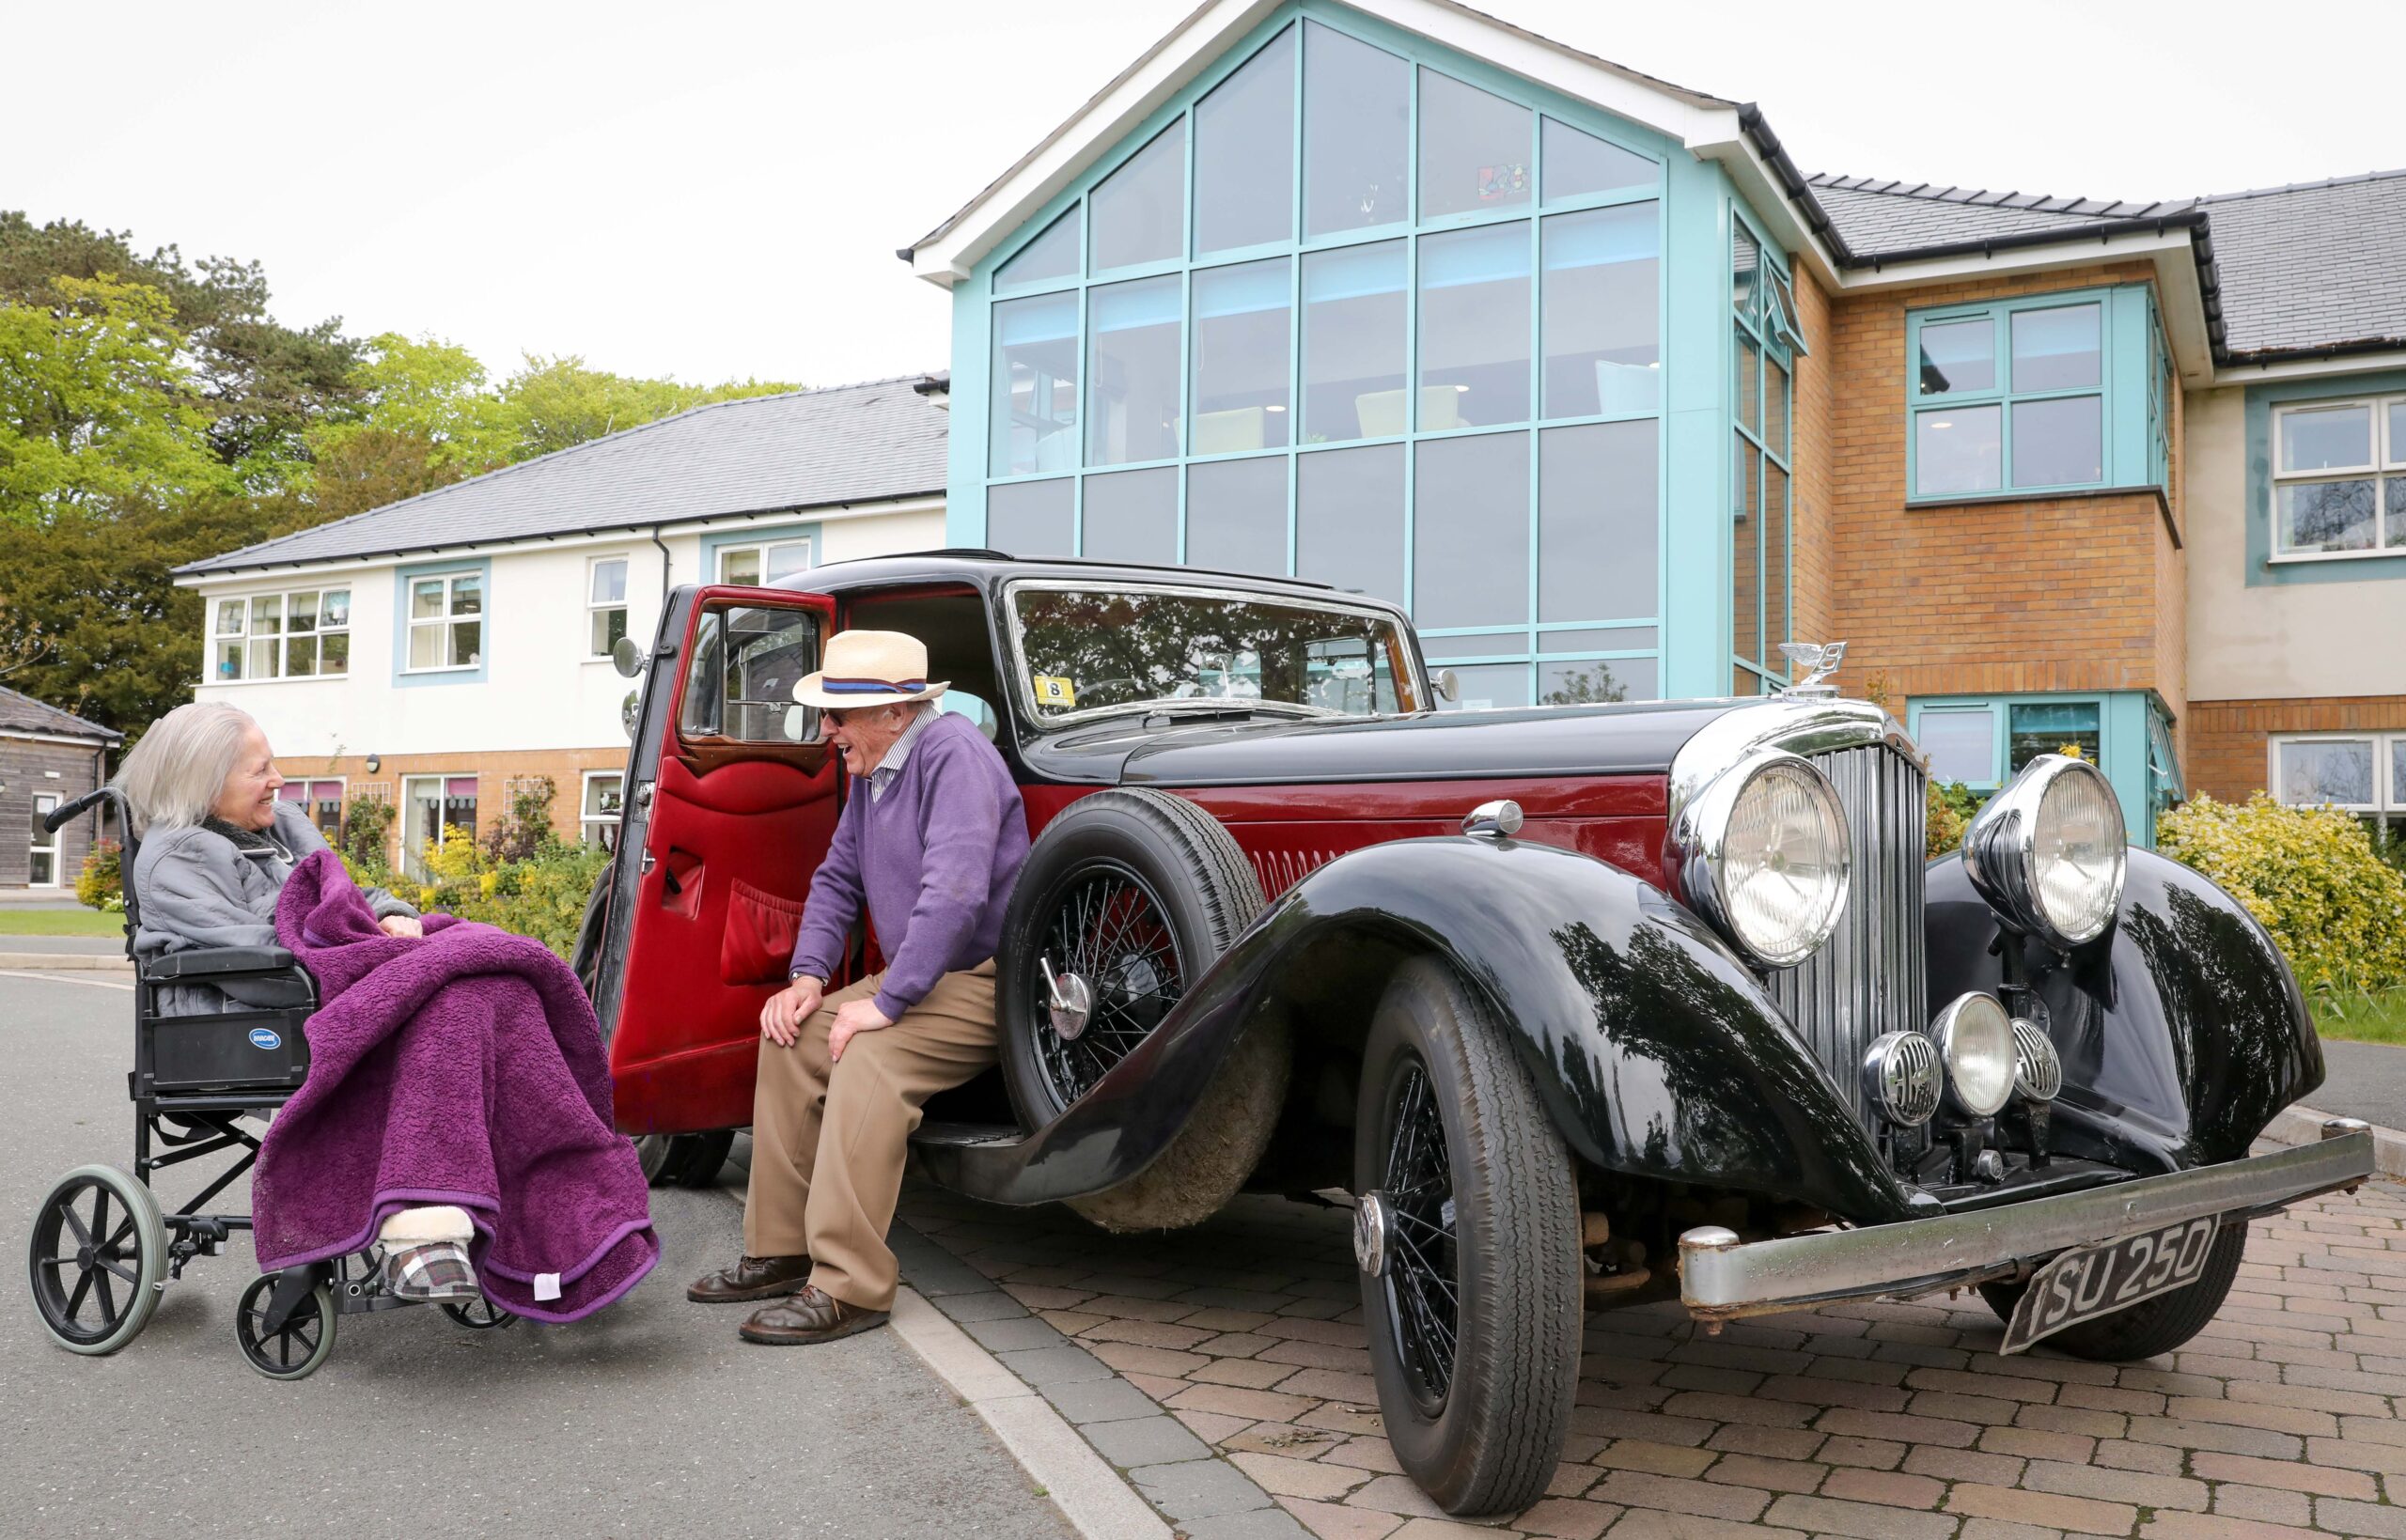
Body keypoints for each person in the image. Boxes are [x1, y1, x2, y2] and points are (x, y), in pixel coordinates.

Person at [688, 630, 1030, 1346]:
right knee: (789, 1034)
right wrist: (809, 978)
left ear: (895, 713)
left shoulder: (953, 755)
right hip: (921, 974)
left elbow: (957, 894)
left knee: (869, 1056)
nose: (826, 730)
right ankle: (781, 1250)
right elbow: (837, 878)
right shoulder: (876, 772)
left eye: (837, 715)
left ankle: (849, 1286)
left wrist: (886, 1003)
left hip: (983, 980)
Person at [119, 702, 477, 1303]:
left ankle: (496, 1211)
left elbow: (350, 897)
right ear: (205, 783)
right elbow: (254, 961)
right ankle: (415, 1233)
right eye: (260, 770)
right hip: (243, 1020)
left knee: (479, 985)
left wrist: (390, 917)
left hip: (314, 989)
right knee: (429, 1020)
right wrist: (367, 958)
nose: (278, 780)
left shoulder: (282, 830)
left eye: (273, 766)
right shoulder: (174, 857)